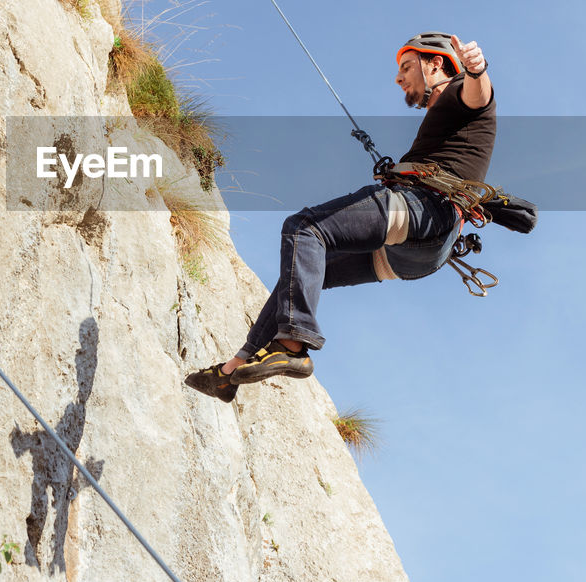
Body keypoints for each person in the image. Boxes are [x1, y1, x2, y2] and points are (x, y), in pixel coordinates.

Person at [184, 32, 496, 403]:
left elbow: (480, 95)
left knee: (304, 229)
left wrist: (477, 68)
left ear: (437, 64)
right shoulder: (445, 126)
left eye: (407, 67)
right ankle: (233, 369)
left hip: (423, 211)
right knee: (310, 272)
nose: (399, 78)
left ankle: (292, 345)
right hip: (422, 252)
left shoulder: (462, 91)